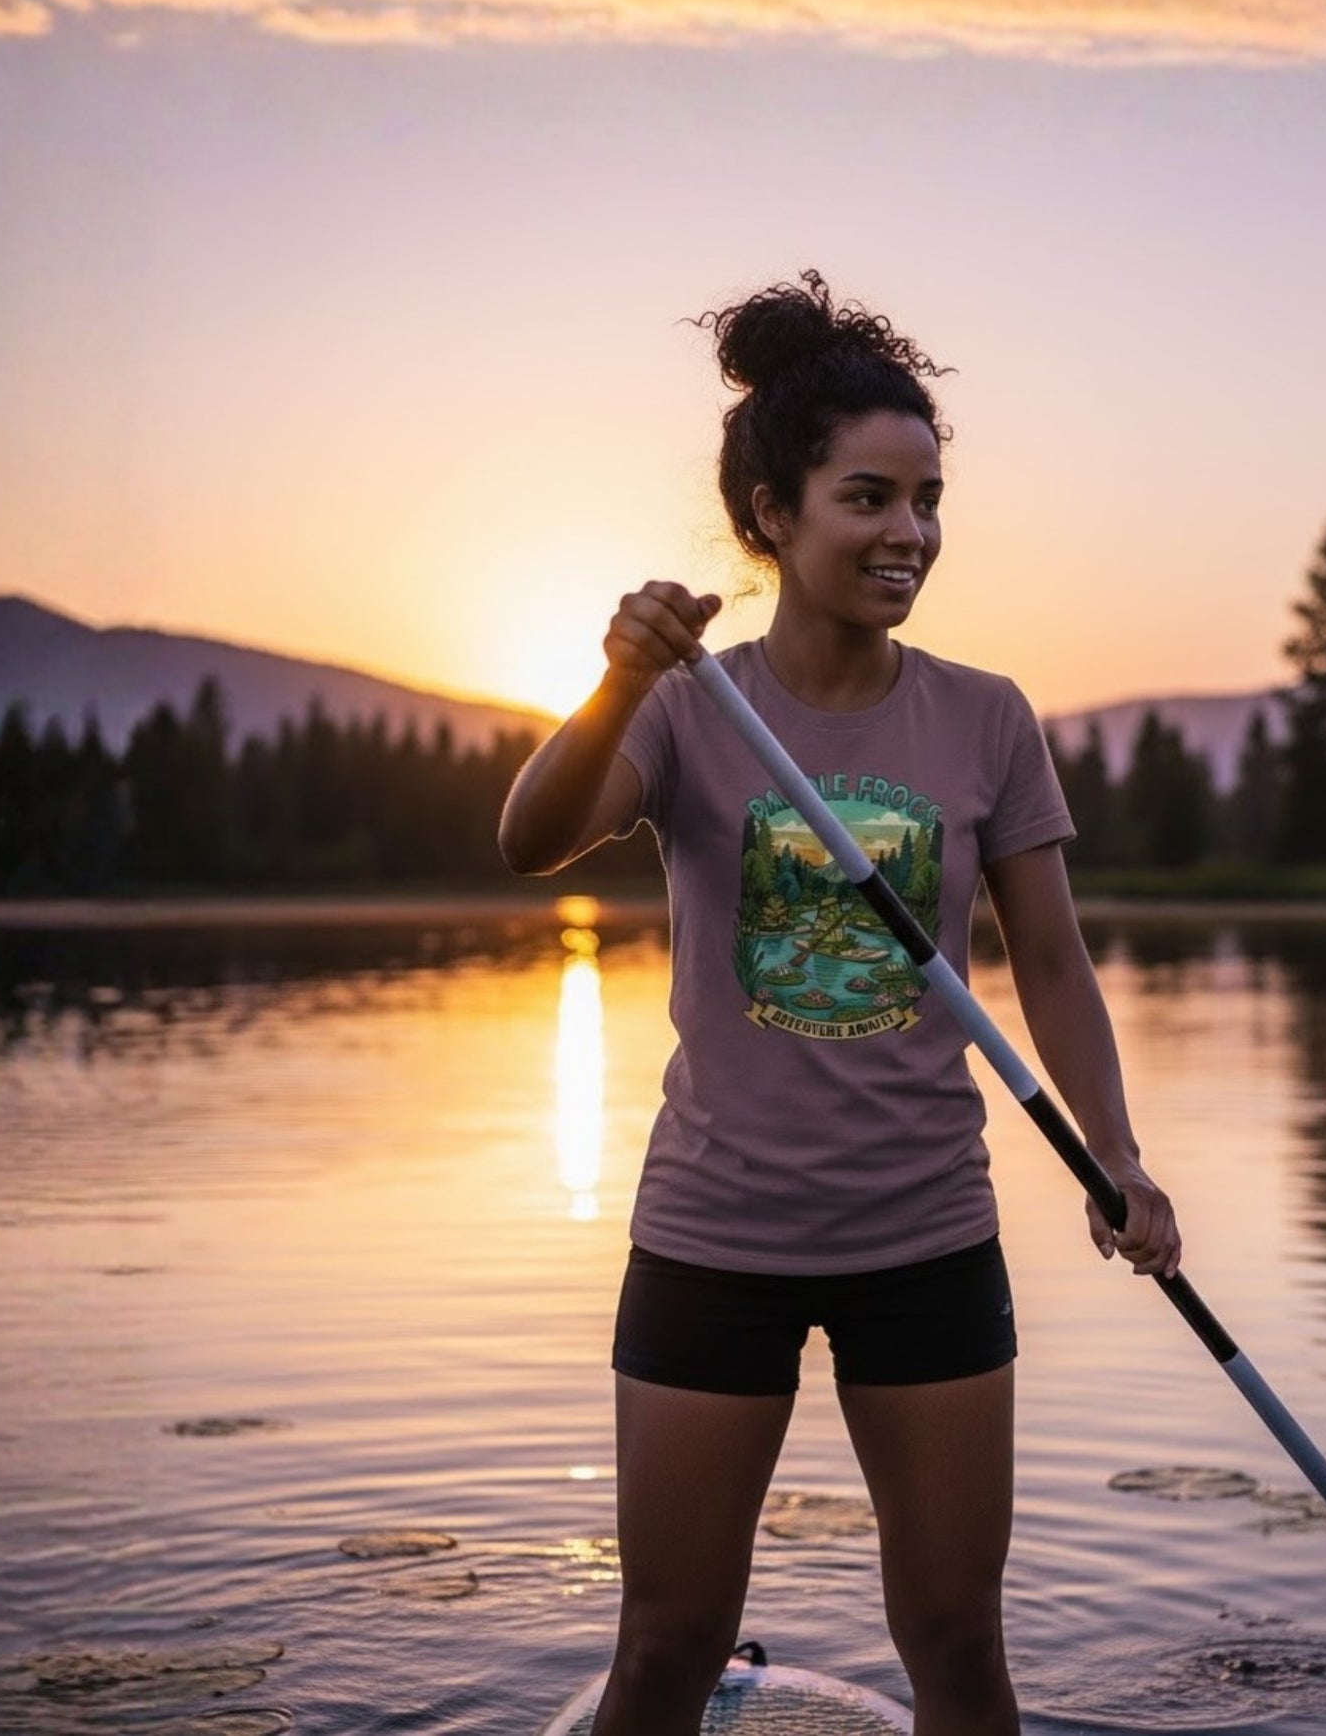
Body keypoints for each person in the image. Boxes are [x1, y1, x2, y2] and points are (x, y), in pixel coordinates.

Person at [499, 271, 1180, 1736]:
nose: (910, 533)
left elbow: (1049, 962)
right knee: (669, 1644)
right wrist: (615, 682)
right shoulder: (690, 708)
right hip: (711, 1238)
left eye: (928, 499)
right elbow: (528, 836)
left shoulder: (983, 714)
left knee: (955, 1643)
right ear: (770, 515)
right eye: (868, 498)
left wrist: (1116, 1154)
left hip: (923, 1239)